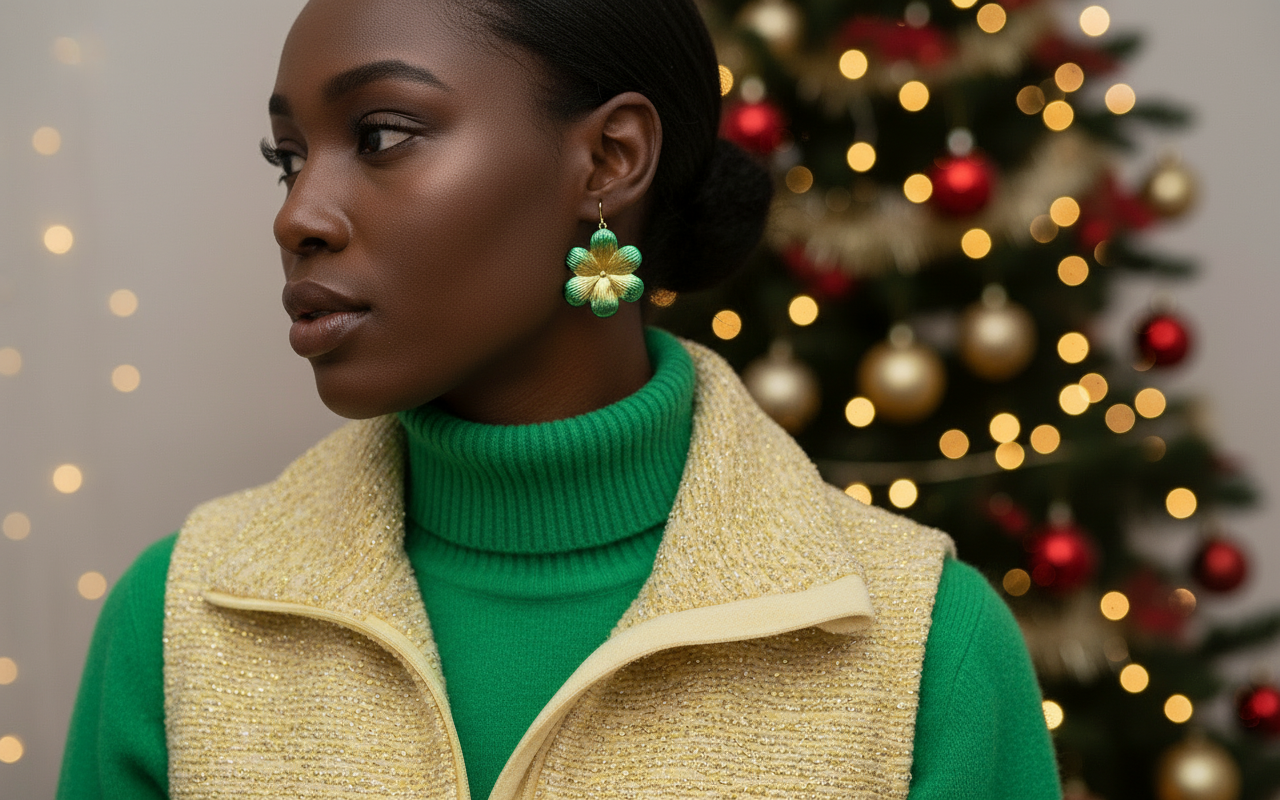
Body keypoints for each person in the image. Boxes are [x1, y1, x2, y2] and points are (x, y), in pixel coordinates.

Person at [58, 1, 1062, 798]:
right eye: (289, 155)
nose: (299, 213)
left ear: (609, 159)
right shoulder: (178, 620)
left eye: (383, 134)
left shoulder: (922, 648)